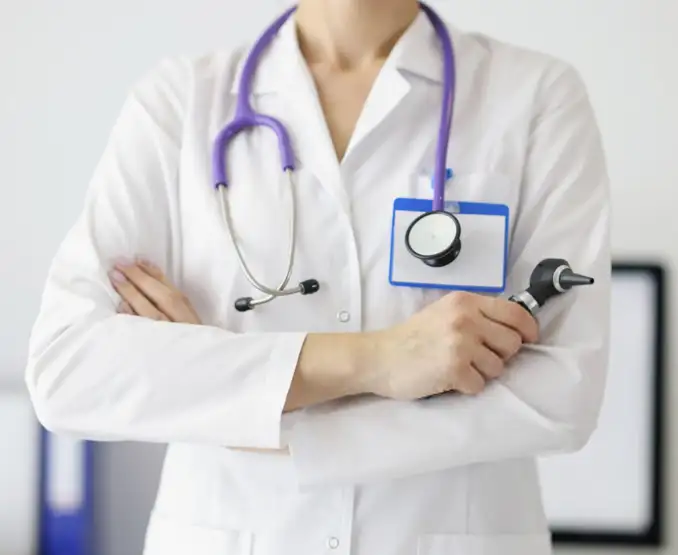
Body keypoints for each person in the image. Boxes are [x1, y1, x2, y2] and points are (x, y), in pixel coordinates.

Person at [26, 0, 610, 553]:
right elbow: (69, 368)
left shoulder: (533, 97)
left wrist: (243, 408)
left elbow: (560, 391)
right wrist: (380, 359)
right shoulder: (181, 103)